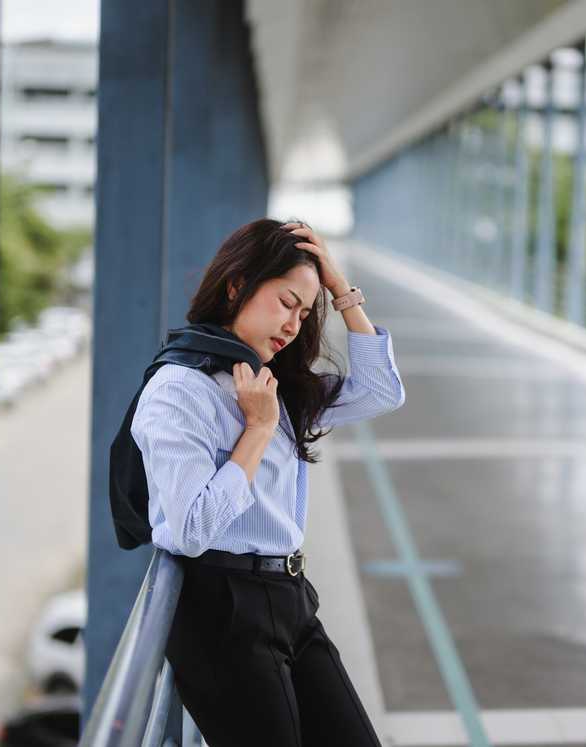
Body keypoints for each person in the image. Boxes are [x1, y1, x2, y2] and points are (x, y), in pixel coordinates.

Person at [129, 218, 405, 745]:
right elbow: (192, 528)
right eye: (285, 302)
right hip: (222, 611)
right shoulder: (180, 390)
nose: (294, 324)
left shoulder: (278, 383)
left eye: (304, 313)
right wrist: (256, 428)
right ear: (237, 286)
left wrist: (339, 288)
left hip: (290, 595)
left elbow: (381, 391)